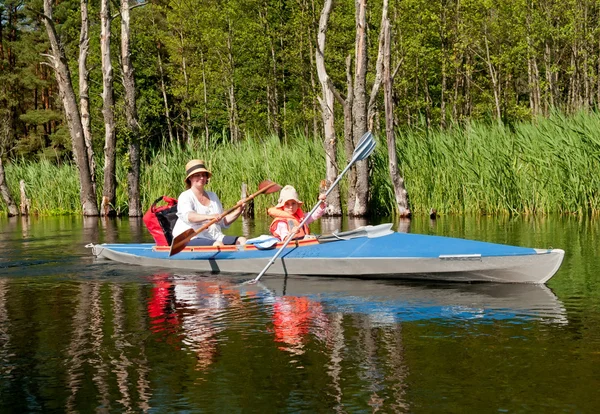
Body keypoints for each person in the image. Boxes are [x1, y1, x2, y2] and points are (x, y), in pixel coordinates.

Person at [172, 159, 246, 247]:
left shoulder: (213, 196)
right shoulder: (185, 196)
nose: (202, 178)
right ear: (190, 178)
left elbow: (223, 222)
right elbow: (190, 216)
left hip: (215, 236)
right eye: (197, 175)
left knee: (242, 240)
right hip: (190, 237)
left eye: (204, 175)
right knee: (218, 245)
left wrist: (239, 210)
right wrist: (209, 217)